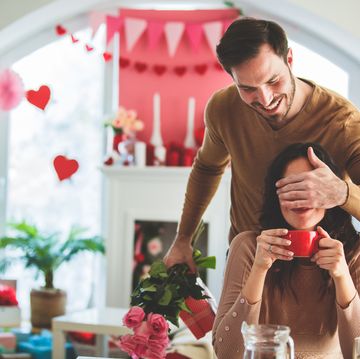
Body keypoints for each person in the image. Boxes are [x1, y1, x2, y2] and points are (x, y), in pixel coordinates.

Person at [164, 17, 360, 272]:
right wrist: (183, 239)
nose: (265, 99)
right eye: (247, 88)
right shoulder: (223, 108)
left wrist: (342, 193)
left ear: (289, 59)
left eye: (273, 81)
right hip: (247, 258)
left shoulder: (343, 120)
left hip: (320, 269)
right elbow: (207, 169)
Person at [212, 142, 360, 358]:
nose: (301, 197)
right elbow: (226, 353)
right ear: (276, 196)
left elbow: (355, 353)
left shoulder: (353, 252)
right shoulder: (247, 247)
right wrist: (259, 269)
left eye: (310, 187)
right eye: (291, 187)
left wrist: (341, 276)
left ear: (330, 194)